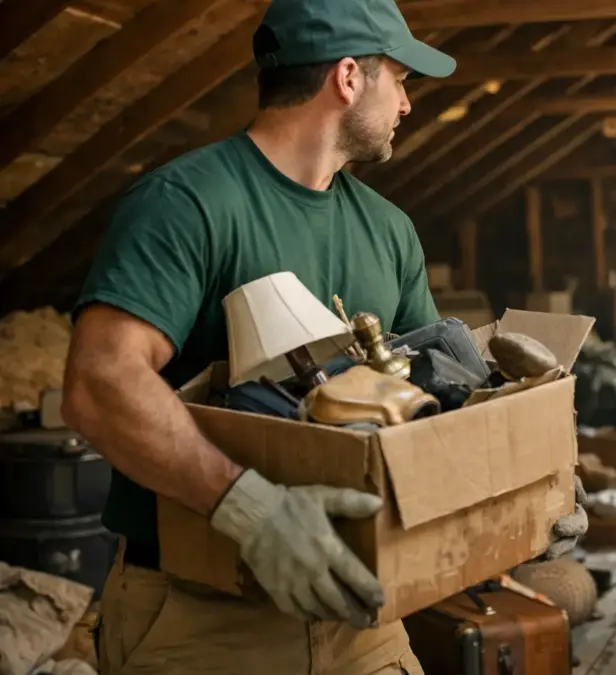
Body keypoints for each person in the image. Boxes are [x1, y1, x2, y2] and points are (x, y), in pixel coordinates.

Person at [60, 1, 586, 673]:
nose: (407, 103)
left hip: (362, 615)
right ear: (347, 78)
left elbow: (434, 418)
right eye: (399, 79)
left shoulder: (390, 229)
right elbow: (99, 383)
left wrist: (517, 504)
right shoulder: (188, 203)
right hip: (201, 614)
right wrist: (250, 508)